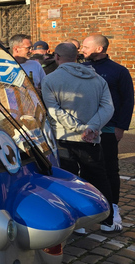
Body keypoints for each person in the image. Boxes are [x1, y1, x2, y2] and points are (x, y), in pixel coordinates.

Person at [41, 43, 118, 232]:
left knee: (67, 180)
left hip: (64, 137)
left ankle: (76, 223)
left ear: (57, 57)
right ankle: (108, 221)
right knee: (99, 178)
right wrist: (91, 128)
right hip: (90, 139)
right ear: (77, 57)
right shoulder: (98, 79)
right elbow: (108, 107)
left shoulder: (50, 79)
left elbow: (53, 111)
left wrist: (80, 128)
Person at [81, 34, 134, 228]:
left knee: (110, 168)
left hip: (109, 128)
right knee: (86, 168)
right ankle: (88, 207)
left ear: (99, 49)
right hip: (84, 128)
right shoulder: (81, 69)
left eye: (86, 46)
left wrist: (121, 127)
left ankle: (113, 207)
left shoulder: (118, 71)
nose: (82, 49)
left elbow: (128, 100)